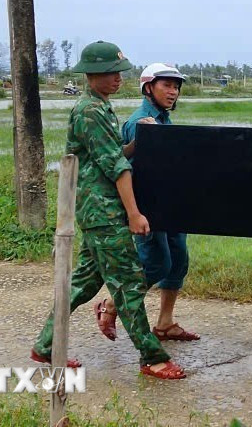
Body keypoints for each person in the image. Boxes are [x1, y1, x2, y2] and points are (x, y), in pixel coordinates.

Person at [31, 41, 186, 380]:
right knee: (129, 282)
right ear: (92, 75)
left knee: (85, 283)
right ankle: (152, 355)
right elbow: (116, 165)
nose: (118, 78)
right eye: (110, 73)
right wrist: (133, 213)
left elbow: (118, 150)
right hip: (102, 211)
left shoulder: (100, 106)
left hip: (96, 208)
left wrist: (140, 139)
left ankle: (45, 345)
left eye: (119, 72)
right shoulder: (89, 110)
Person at [94, 63, 200, 343]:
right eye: (167, 85)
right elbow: (122, 168)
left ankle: (165, 323)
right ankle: (111, 305)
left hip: (169, 202)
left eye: (176, 86)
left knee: (178, 261)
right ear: (148, 87)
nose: (173, 91)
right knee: (156, 263)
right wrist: (134, 212)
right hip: (147, 205)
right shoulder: (138, 122)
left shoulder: (163, 120)